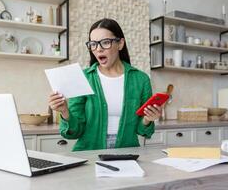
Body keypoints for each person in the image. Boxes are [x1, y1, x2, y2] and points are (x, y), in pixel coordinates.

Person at [49, 18, 161, 151]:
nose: (98, 49)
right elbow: (74, 132)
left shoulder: (141, 80)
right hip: (89, 154)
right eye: (93, 44)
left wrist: (148, 119)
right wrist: (65, 112)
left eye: (105, 42)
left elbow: (143, 131)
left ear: (120, 44)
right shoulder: (82, 78)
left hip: (127, 151)